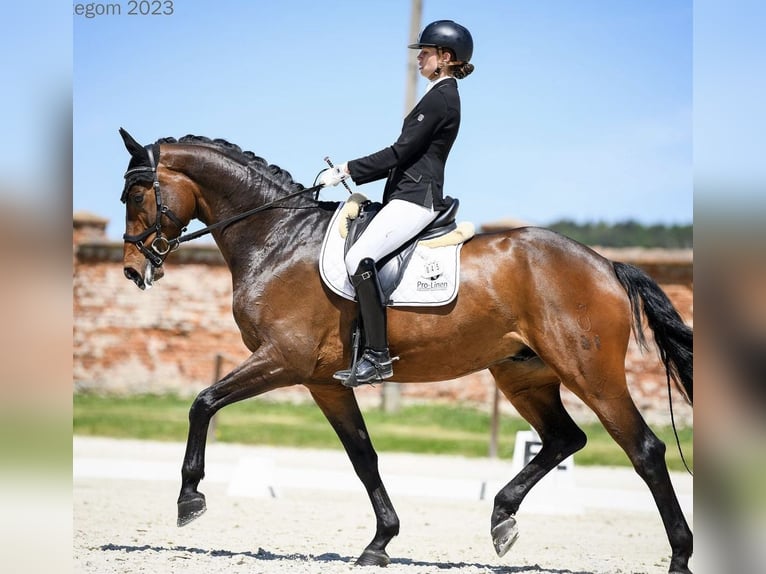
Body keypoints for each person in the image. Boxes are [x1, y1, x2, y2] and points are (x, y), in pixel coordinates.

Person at [318, 20, 474, 387]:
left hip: (417, 198)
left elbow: (400, 152)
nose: (419, 58)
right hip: (408, 194)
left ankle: (377, 356)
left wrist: (345, 170)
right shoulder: (438, 94)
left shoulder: (442, 97)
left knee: (358, 258)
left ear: (446, 57)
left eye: (426, 52)